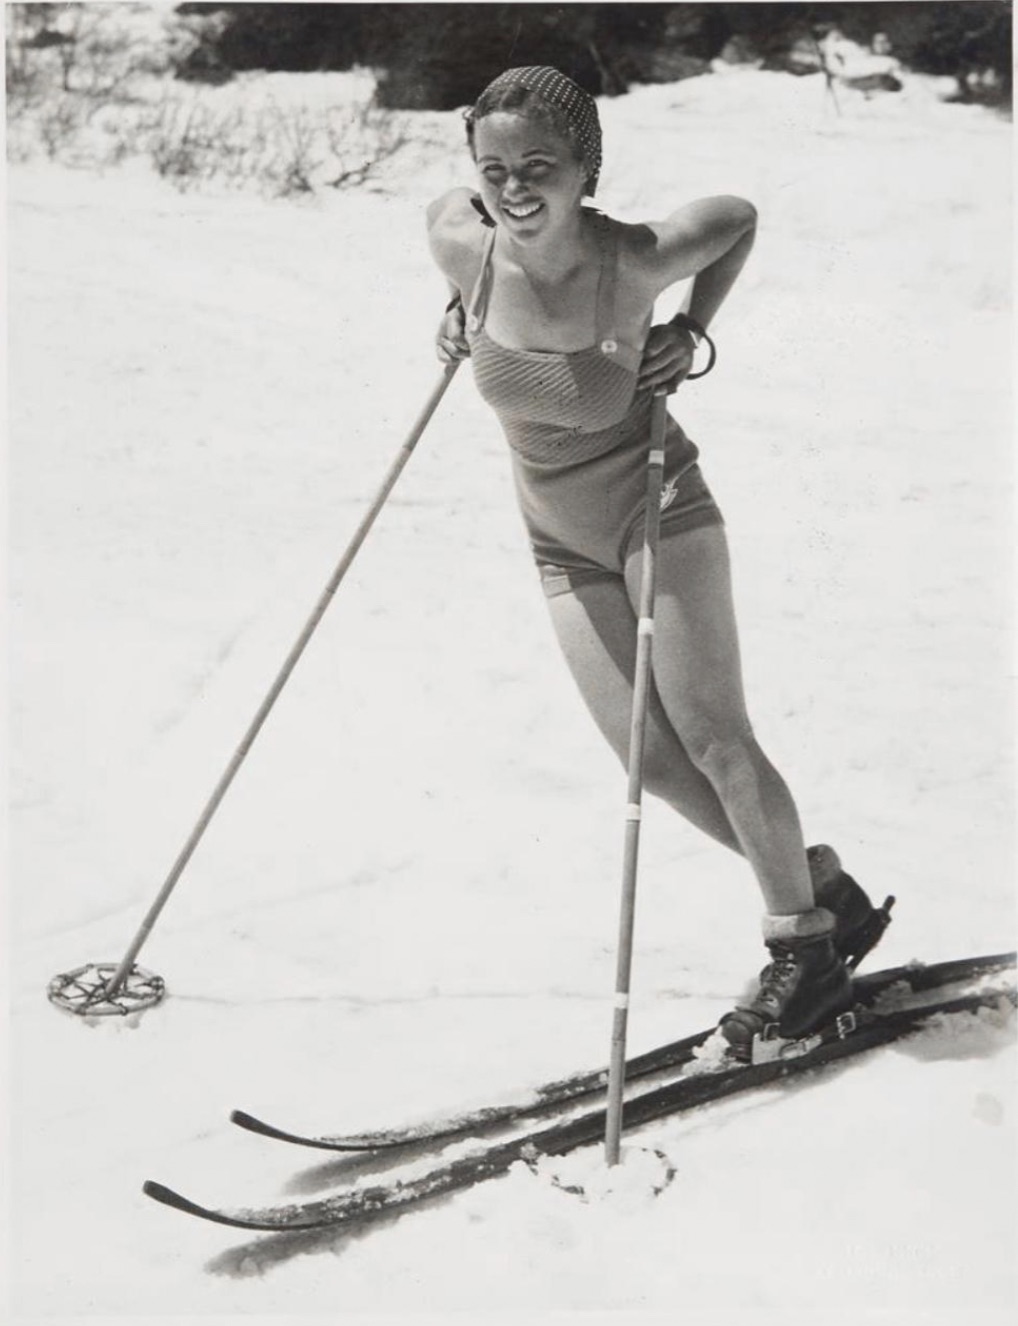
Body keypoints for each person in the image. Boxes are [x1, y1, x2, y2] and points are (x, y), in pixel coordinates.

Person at [426, 66, 889, 1059]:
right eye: (494, 166)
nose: (513, 189)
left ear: (585, 170)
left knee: (715, 738)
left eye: (538, 168)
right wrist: (452, 315)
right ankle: (819, 890)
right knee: (650, 759)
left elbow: (739, 217)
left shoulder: (630, 261)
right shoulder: (461, 245)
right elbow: (451, 223)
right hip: (558, 541)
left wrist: (692, 330)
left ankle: (801, 950)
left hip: (655, 508)